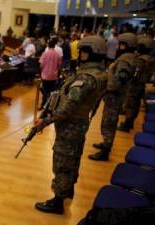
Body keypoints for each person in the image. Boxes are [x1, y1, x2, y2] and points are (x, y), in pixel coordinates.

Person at [33, 35, 108, 214]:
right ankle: (68, 190)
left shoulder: (86, 78)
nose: (79, 54)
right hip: (80, 123)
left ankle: (58, 201)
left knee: (62, 162)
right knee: (73, 159)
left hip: (70, 126)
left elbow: (67, 108)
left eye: (82, 51)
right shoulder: (100, 74)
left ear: (89, 53)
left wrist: (45, 121)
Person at [89, 32, 138, 161]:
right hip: (114, 96)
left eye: (121, 44)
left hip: (114, 96)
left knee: (109, 123)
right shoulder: (128, 58)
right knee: (107, 122)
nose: (118, 47)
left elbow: (118, 81)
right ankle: (105, 143)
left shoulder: (125, 61)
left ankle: (105, 150)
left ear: (126, 45)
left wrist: (107, 86)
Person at [118, 35, 155, 132]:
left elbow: (136, 74)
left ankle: (127, 125)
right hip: (142, 84)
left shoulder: (141, 60)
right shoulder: (150, 59)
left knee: (131, 104)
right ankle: (129, 123)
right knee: (135, 105)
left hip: (135, 84)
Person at [38, 38, 62, 109]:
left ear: (48, 45)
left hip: (45, 76)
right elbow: (59, 66)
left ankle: (44, 105)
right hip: (53, 76)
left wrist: (40, 73)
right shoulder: (58, 55)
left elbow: (41, 65)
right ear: (54, 46)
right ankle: (50, 106)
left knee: (44, 91)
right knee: (51, 91)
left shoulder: (44, 54)